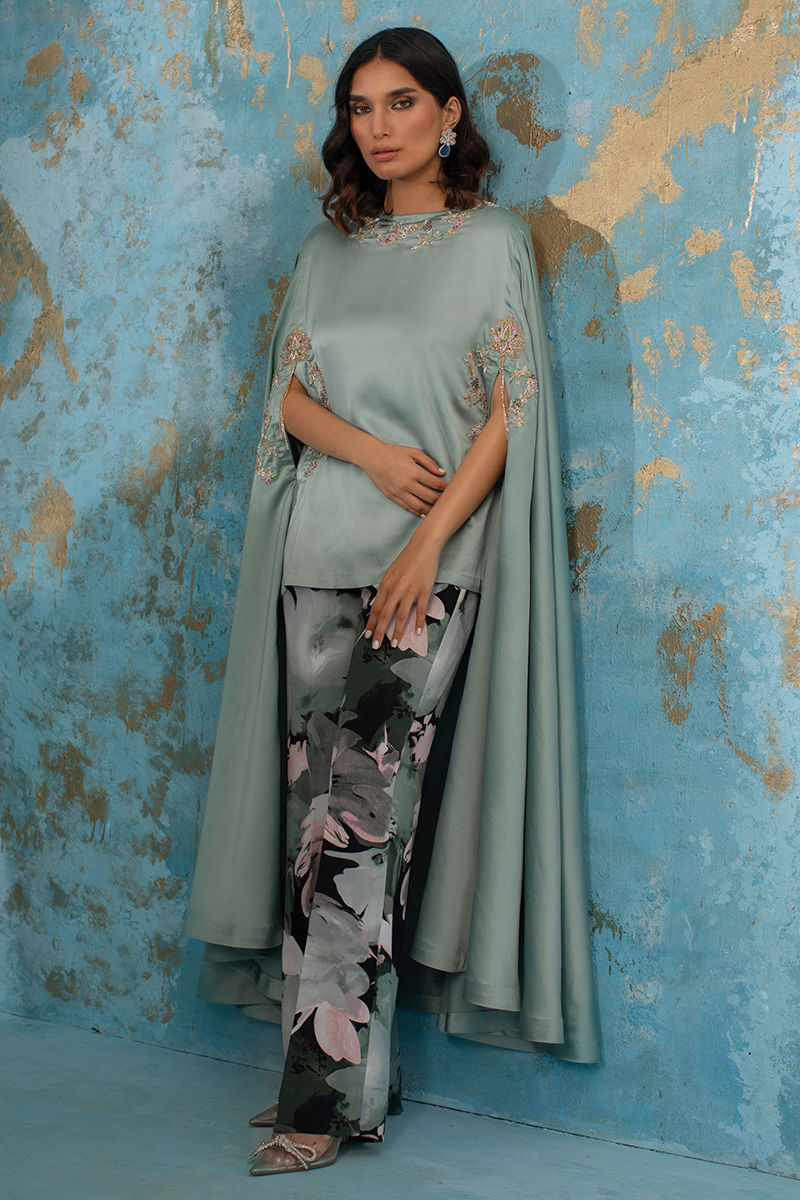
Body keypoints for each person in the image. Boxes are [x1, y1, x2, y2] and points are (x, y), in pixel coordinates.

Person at [182, 26, 600, 1176]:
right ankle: (345, 1077)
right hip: (315, 553)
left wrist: (425, 541)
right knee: (315, 824)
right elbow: (288, 401)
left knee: (362, 819)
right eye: (360, 106)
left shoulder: (492, 242)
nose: (377, 126)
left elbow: (510, 412)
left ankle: (315, 1105)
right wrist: (368, 455)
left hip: (429, 566)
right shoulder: (329, 247)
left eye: (401, 102)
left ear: (450, 115)